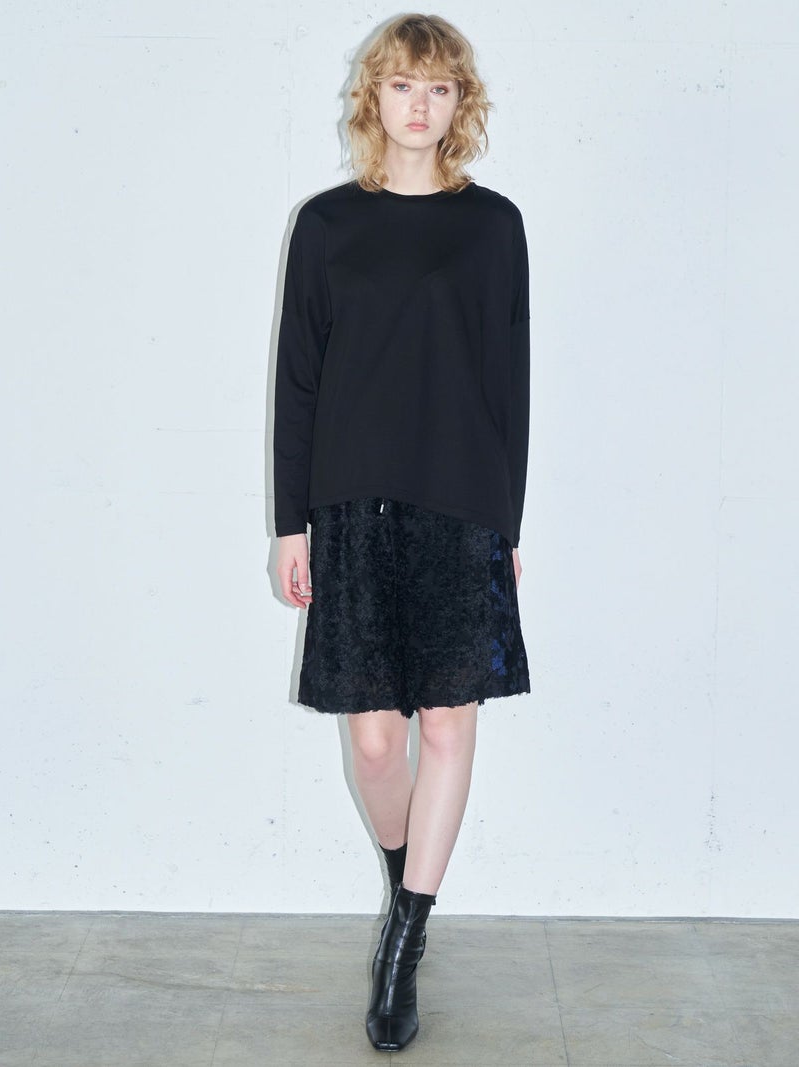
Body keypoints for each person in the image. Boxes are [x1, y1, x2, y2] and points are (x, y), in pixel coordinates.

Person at [272, 12, 531, 1053]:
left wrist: (506, 523)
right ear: (371, 97)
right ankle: (403, 883)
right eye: (400, 86)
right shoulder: (326, 224)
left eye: (438, 88)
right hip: (351, 505)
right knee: (376, 739)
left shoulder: (493, 226)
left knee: (448, 724)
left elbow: (510, 384)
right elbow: (298, 381)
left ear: (459, 103)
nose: (418, 106)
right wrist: (289, 524)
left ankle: (402, 948)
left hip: (460, 503)